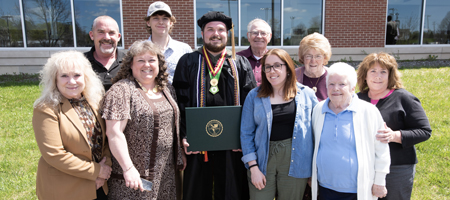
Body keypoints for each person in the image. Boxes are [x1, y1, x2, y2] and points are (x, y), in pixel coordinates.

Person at [172, 11, 256, 200]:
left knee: (232, 189)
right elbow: (179, 101)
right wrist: (184, 136)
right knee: (197, 190)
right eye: (210, 29)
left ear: (227, 34)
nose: (215, 33)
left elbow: (251, 104)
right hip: (197, 143)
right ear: (202, 34)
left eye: (221, 29)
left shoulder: (240, 63)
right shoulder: (188, 61)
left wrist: (245, 139)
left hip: (232, 145)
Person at [102, 40, 185, 199]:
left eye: (152, 60)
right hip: (135, 176)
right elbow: (114, 133)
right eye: (140, 60)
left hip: (166, 174)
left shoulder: (167, 89)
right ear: (130, 65)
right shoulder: (121, 91)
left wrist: (179, 153)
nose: (147, 65)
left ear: (159, 64)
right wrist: (128, 168)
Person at [32, 51, 112, 200]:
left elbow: (106, 140)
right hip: (65, 189)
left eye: (77, 75)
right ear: (54, 79)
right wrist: (97, 171)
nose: (72, 81)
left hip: (99, 186)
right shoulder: (46, 108)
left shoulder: (94, 102)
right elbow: (54, 155)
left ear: (85, 77)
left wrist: (104, 171)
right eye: (64, 76)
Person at [240, 49, 318, 200]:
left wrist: (313, 170)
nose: (272, 70)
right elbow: (246, 133)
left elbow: (318, 131)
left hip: (296, 159)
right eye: (268, 66)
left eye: (277, 65)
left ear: (288, 68)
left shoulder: (306, 94)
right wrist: (253, 167)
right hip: (262, 159)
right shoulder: (254, 96)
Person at [357, 52, 432, 200]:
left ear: (390, 75)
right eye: (373, 71)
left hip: (397, 168)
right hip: (365, 166)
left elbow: (424, 131)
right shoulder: (358, 99)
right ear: (365, 75)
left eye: (383, 72)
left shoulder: (404, 98)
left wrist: (394, 135)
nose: (378, 76)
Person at [311, 62, 390, 200]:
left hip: (357, 190)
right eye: (331, 84)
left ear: (352, 88)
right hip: (325, 188)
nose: (335, 89)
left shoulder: (368, 111)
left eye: (342, 84)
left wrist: (380, 180)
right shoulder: (319, 110)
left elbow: (381, 149)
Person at [145, 1, 192, 84]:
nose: (160, 22)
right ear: (148, 22)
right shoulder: (137, 50)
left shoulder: (184, 50)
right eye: (156, 18)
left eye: (165, 18)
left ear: (171, 23)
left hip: (176, 97)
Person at [84, 15, 125, 91]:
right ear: (92, 35)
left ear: (118, 37)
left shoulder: (130, 61)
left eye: (111, 33)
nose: (107, 37)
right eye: (101, 32)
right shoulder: (80, 62)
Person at [295, 32, 331, 101]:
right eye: (309, 56)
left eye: (318, 56)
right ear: (303, 57)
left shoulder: (333, 76)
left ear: (325, 58)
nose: (313, 61)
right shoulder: (293, 76)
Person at [237, 18, 272, 86]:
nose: (259, 36)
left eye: (263, 33)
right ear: (248, 36)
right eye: (255, 33)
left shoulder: (275, 60)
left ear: (269, 37)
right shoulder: (237, 59)